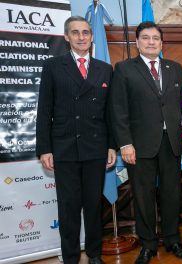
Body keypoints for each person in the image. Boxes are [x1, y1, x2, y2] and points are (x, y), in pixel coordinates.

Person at [109, 21, 182, 264]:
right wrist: (125, 144)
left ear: (162, 43)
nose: (151, 42)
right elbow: (118, 109)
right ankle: (148, 244)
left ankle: (173, 240)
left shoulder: (175, 68)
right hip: (139, 146)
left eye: (156, 38)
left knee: (172, 194)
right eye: (146, 38)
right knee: (143, 196)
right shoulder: (124, 69)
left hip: (172, 143)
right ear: (137, 42)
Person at [36, 16, 116, 264]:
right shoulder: (53, 66)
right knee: (69, 208)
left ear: (92, 37)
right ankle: (70, 257)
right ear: (67, 37)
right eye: (76, 32)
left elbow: (110, 112)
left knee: (93, 206)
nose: (81, 37)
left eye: (86, 32)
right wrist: (45, 149)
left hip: (95, 147)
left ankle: (94, 254)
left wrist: (112, 144)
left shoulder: (105, 68)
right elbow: (44, 110)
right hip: (64, 148)